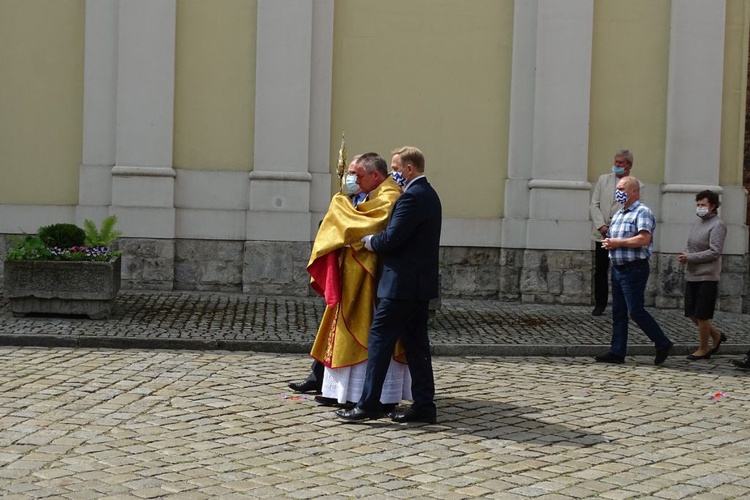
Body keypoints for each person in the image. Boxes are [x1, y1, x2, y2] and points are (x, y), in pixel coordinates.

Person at [337, 146, 442, 424]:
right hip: (418, 285)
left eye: (396, 168)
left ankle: (369, 403)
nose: (392, 174)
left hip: (401, 286)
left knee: (379, 339)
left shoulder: (412, 198)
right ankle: (424, 405)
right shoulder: (429, 195)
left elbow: (393, 239)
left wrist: (369, 241)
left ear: (409, 169)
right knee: (417, 345)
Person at [287, 157, 406, 396]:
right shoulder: (361, 195)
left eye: (357, 174)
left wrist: (340, 204)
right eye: (350, 174)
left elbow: (365, 223)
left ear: (375, 176)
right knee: (334, 323)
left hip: (368, 276)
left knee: (356, 326)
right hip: (349, 270)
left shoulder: (389, 196)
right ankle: (320, 377)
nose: (352, 179)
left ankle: (354, 389)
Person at [594, 175, 674, 365]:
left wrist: (617, 242)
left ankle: (662, 342)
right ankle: (617, 351)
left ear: (634, 191)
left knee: (635, 310)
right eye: (617, 189)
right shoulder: (620, 213)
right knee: (618, 312)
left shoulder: (642, 212)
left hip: (634, 269)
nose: (618, 192)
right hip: (617, 268)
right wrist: (609, 243)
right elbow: (615, 238)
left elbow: (643, 239)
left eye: (622, 189)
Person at [678, 190, 727, 360]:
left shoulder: (718, 225)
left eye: (703, 205)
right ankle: (717, 335)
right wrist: (686, 254)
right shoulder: (698, 222)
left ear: (712, 206)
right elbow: (692, 243)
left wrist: (690, 257)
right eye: (698, 205)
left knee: (702, 313)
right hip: (692, 273)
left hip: (707, 275)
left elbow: (715, 252)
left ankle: (703, 348)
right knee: (691, 312)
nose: (699, 208)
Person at [589, 150, 637, 316]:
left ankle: (624, 304)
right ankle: (600, 303)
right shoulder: (604, 180)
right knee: (601, 270)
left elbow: (632, 209)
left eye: (621, 163)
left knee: (621, 270)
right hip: (602, 233)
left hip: (621, 235)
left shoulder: (635, 184)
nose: (617, 165)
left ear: (629, 165)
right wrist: (601, 226)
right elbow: (594, 205)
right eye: (616, 162)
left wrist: (616, 228)